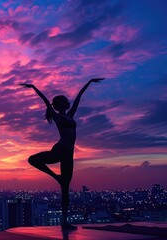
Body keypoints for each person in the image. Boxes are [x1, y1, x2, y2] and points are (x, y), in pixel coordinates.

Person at [20, 78, 104, 229]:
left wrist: (89, 82)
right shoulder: (57, 116)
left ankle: (64, 222)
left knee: (65, 189)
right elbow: (45, 100)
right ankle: (55, 177)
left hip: (68, 156)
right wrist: (33, 87)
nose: (68, 101)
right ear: (60, 105)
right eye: (65, 100)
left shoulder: (70, 115)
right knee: (32, 160)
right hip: (60, 150)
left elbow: (79, 96)